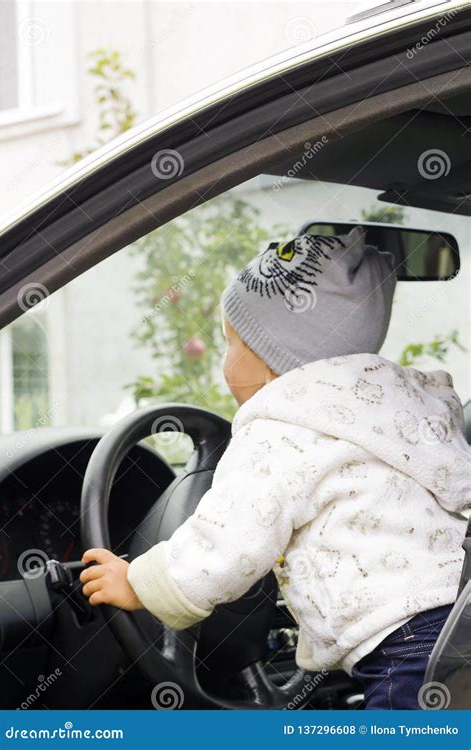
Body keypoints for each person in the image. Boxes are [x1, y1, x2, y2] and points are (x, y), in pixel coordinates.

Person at [80, 227, 470, 709]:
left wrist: (139, 584)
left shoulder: (279, 431)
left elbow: (227, 546)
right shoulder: (405, 409)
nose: (224, 361)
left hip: (404, 648)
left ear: (271, 360)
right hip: (460, 614)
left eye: (229, 343)